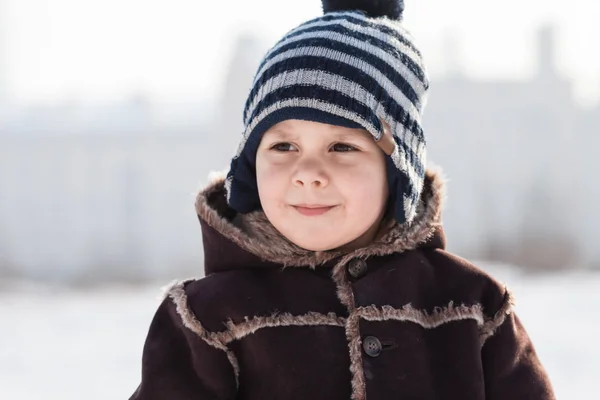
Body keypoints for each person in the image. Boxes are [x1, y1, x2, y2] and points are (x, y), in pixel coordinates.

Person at [129, 0, 555, 399]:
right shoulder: (208, 319)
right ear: (249, 165)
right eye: (283, 147)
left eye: (342, 147)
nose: (309, 175)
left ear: (396, 172)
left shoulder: (471, 306)